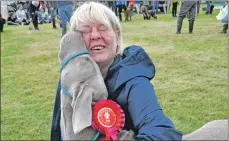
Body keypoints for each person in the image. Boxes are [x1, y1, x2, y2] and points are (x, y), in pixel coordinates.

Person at [51, 1, 183, 141]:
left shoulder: (133, 80)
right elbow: (59, 130)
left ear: (117, 36)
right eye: (85, 30)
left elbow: (162, 133)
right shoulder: (72, 77)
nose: (95, 35)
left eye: (103, 28)